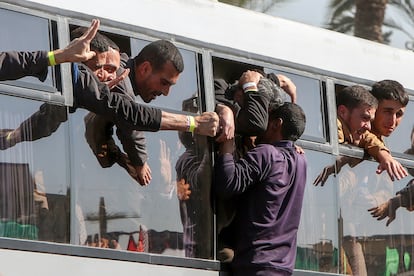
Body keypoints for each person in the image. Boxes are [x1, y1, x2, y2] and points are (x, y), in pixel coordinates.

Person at [0, 19, 219, 141]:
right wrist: (193, 123)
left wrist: (12, 138)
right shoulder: (76, 73)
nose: (108, 76)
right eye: (103, 67)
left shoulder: (76, 84)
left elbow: (45, 122)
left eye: (113, 70)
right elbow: (128, 113)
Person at [0, 28, 152, 186]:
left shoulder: (92, 90)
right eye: (107, 68)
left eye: (114, 70)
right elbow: (131, 117)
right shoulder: (65, 76)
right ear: (81, 58)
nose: (112, 76)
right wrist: (139, 162)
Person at [215, 101, 307, 276]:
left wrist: (227, 144)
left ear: (276, 123)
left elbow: (227, 185)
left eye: (265, 120)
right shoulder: (301, 161)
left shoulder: (266, 153)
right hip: (283, 267)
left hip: (255, 264)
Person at [313, 83, 408, 186]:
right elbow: (332, 161)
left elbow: (369, 138)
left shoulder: (363, 133)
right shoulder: (335, 126)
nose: (393, 121)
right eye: (387, 112)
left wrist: (385, 155)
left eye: (398, 114)